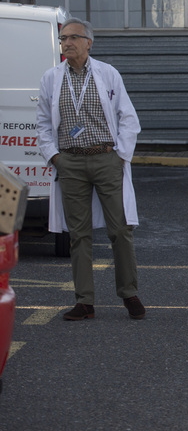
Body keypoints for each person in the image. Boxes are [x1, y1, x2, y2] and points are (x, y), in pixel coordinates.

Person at [36, 17, 144, 321]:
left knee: (120, 229)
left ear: (88, 43)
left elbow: (128, 117)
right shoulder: (51, 78)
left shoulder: (108, 74)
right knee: (78, 234)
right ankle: (84, 301)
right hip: (69, 161)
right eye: (63, 39)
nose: (66, 43)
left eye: (72, 37)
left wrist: (120, 155)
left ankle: (129, 293)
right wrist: (54, 156)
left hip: (105, 158)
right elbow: (43, 122)